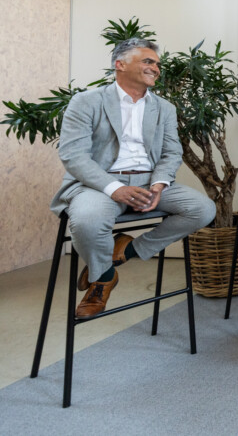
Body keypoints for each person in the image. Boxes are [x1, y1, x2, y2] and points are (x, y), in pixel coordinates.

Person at [51, 38, 217, 319]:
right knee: (88, 220)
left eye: (157, 64)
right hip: (99, 184)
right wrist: (114, 188)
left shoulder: (164, 108)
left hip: (148, 182)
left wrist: (159, 183)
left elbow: (171, 152)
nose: (156, 68)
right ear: (120, 64)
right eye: (148, 61)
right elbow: (74, 156)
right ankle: (103, 278)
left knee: (203, 209)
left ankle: (125, 250)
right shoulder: (86, 101)